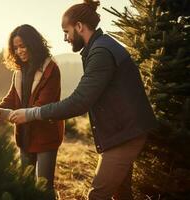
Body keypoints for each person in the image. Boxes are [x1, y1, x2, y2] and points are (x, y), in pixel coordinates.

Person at [8, 1, 158, 199]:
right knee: (122, 194)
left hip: (125, 133)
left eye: (66, 31)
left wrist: (31, 113)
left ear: (79, 27)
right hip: (122, 131)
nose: (66, 38)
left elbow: (79, 102)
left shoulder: (101, 52)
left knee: (97, 195)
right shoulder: (99, 48)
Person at [0, 24, 65, 195]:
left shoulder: (51, 70)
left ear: (33, 44)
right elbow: (11, 99)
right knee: (24, 184)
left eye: (22, 46)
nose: (19, 51)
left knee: (44, 188)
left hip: (46, 136)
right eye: (15, 48)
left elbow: (42, 106)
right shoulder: (19, 71)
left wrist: (5, 114)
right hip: (24, 136)